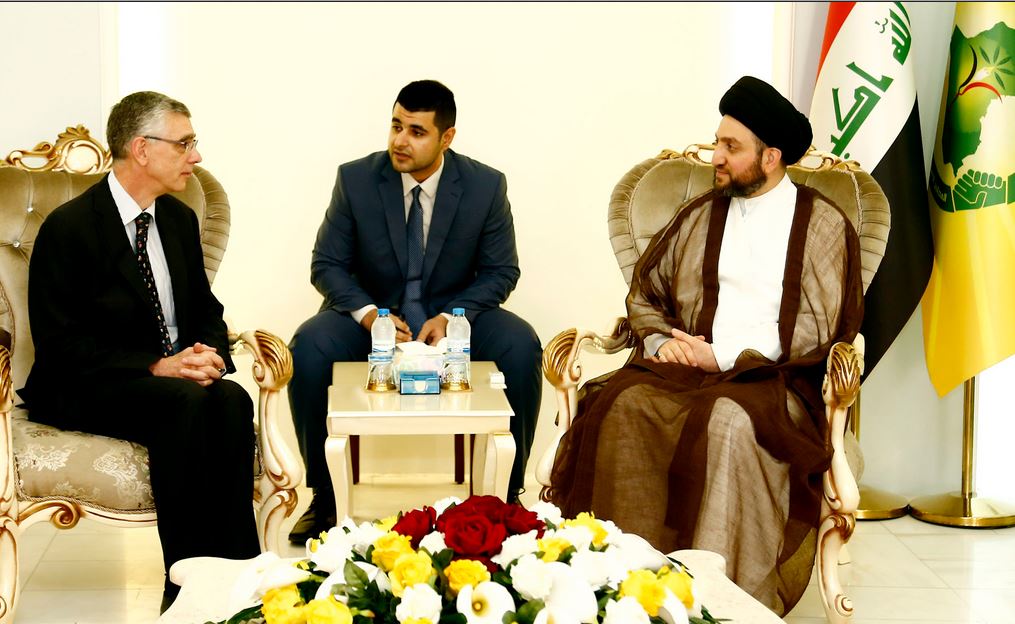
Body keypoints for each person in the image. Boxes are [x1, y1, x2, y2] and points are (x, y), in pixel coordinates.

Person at [547, 76, 863, 615]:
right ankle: (619, 589)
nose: (716, 157)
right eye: (717, 142)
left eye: (731, 147)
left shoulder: (821, 225)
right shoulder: (701, 214)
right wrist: (661, 341)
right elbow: (646, 293)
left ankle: (721, 601)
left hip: (775, 379)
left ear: (771, 157)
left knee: (727, 422)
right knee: (623, 405)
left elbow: (818, 329)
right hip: (686, 369)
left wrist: (719, 355)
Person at [20, 91, 260, 612]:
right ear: (142, 149)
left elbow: (206, 308)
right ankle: (185, 585)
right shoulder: (69, 228)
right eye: (185, 144)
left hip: (166, 380)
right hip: (85, 382)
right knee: (184, 403)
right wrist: (156, 365)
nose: (196, 156)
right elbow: (61, 344)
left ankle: (241, 578)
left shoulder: (177, 219)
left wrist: (209, 354)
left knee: (232, 400)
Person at [288, 79, 542, 543]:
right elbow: (326, 264)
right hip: (374, 316)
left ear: (447, 137)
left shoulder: (485, 186)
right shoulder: (356, 179)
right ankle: (323, 496)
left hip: (454, 316)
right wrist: (370, 316)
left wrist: (452, 317)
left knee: (521, 344)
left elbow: (501, 271)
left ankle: (507, 496)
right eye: (396, 126)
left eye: (417, 132)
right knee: (309, 346)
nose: (400, 141)